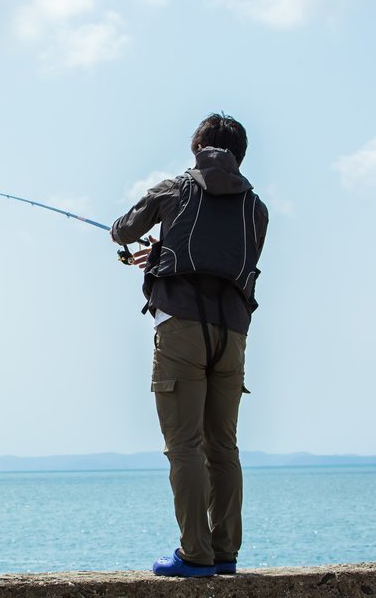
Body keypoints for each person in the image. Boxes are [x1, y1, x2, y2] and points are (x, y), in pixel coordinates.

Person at [111, 113, 268, 578]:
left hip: (181, 328)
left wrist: (152, 249)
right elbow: (221, 260)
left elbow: (122, 229)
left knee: (184, 446)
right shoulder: (256, 209)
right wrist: (162, 253)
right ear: (240, 154)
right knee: (224, 446)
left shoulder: (173, 189)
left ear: (198, 149)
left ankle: (194, 553)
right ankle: (224, 553)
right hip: (233, 332)